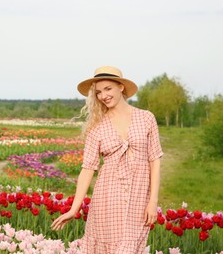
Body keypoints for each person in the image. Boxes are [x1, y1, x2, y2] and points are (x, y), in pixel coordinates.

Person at [51, 66, 163, 253]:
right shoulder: (97, 126)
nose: (103, 95)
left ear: (121, 87)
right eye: (98, 92)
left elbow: (155, 161)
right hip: (107, 198)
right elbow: (87, 169)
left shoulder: (146, 118)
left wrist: (153, 202)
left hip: (138, 197)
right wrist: (74, 209)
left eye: (108, 89)